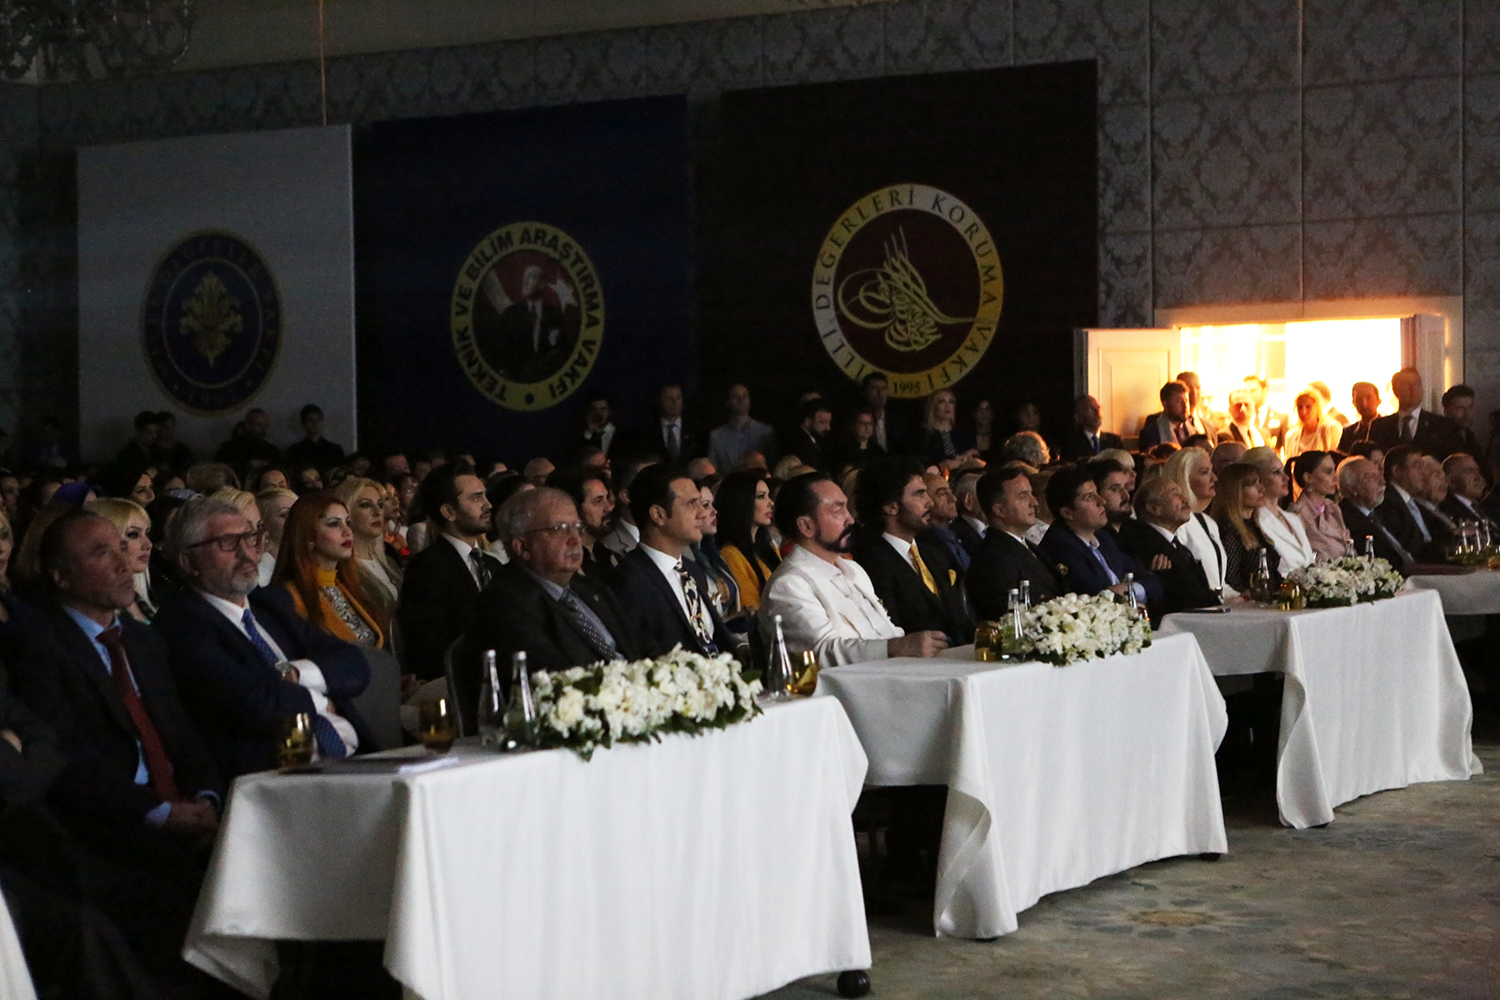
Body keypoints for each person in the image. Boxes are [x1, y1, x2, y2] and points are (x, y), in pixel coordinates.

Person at [6, 509, 224, 977]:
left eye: (123, 548)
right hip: (111, 828)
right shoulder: (36, 645)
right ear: (61, 575)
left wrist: (207, 798)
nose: (125, 563)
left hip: (182, 813)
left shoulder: (142, 641)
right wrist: (162, 813)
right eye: (101, 552)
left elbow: (182, 734)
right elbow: (66, 761)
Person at [154, 497, 372, 779]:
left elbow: (355, 665)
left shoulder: (270, 605)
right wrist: (318, 700)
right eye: (227, 542)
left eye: (249, 537)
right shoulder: (180, 624)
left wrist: (295, 674)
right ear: (189, 562)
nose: (245, 552)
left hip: (352, 759)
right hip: (273, 774)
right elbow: (255, 702)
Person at [758, 472, 946, 665]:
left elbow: (887, 632)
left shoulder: (853, 569)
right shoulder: (789, 585)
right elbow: (821, 652)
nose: (850, 519)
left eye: (847, 508)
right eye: (838, 511)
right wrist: (897, 647)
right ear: (806, 526)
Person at [467, 488, 639, 679]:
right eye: (559, 529)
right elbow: (554, 679)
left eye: (577, 527)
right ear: (522, 547)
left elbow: (637, 646)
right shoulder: (504, 605)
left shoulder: (590, 588)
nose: (575, 540)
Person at [610, 464, 738, 659]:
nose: (703, 513)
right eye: (691, 504)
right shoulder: (628, 581)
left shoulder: (692, 570)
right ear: (658, 515)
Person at [396, 465, 500, 681]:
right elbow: (429, 646)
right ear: (449, 512)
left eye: (485, 495)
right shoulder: (427, 567)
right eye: (476, 498)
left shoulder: (492, 564)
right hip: (458, 680)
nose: (488, 504)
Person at [852, 459, 971, 644]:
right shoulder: (870, 564)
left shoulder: (934, 553)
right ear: (891, 507)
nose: (930, 502)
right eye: (919, 494)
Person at [272, 492, 386, 651]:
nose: (347, 531)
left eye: (347, 522)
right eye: (334, 524)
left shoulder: (347, 585)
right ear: (308, 537)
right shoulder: (290, 598)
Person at [1037, 465, 1160, 606]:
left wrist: (1126, 588)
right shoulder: (1059, 546)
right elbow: (1097, 594)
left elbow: (1153, 583)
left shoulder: (1103, 538)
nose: (1102, 501)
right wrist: (1127, 590)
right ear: (1067, 513)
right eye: (1089, 497)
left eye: (1096, 493)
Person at [1116, 478, 1220, 624]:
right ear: (1153, 508)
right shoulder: (1141, 540)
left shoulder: (1178, 546)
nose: (1185, 499)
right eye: (1175, 493)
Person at [966, 465, 1058, 620]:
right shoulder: (993, 559)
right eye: (1023, 496)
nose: (1034, 502)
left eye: (1031, 494)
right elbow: (1011, 618)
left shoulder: (1028, 546)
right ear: (999, 510)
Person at [1160, 447, 1230, 597]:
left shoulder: (1208, 522)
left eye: (1211, 471)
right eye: (1204, 472)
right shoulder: (1176, 524)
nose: (1214, 478)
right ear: (1183, 479)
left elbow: (1218, 582)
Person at [1240, 447, 1316, 576]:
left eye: (1284, 471)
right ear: (1257, 480)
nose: (1286, 477)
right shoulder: (1254, 522)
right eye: (1276, 473)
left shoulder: (1294, 519)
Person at [1210, 463, 1282, 593]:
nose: (1261, 489)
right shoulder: (1229, 530)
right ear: (1235, 491)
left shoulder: (1255, 526)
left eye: (1260, 482)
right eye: (1252, 484)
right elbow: (1231, 578)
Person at [715, 470, 779, 613]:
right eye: (761, 497)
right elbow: (750, 608)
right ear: (742, 502)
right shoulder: (730, 555)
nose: (771, 502)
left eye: (768, 495)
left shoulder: (769, 547)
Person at [85, 497, 158, 623]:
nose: (148, 544)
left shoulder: (150, 596)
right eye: (133, 534)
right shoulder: (96, 610)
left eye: (147, 533)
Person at [1337, 456, 1414, 570]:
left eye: (1379, 475)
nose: (1382, 482)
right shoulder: (1344, 519)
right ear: (1352, 488)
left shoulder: (1386, 510)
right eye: (1371, 478)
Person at [1376, 444, 1444, 562]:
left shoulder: (1413, 502)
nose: (1423, 472)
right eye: (1417, 465)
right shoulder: (1387, 503)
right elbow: (1411, 546)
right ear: (1396, 471)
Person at [546, 465, 618, 577]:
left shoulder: (608, 555)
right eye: (598, 501)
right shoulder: (565, 565)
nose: (608, 507)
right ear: (573, 507)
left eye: (607, 498)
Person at [1370, 368, 1455, 456]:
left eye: (1417, 384)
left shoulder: (1441, 424)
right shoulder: (1379, 426)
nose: (1413, 389)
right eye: (1406, 385)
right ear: (1395, 390)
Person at [689, 482, 741, 622]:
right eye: (706, 505)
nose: (714, 511)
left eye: (713, 504)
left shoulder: (711, 553)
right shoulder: (684, 558)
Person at [1289, 451, 1352, 559]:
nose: (1335, 478)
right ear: (1308, 478)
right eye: (1328, 472)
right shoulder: (1297, 515)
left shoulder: (1333, 508)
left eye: (1334, 471)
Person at [708, 383, 777, 473]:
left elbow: (772, 467)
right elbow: (713, 472)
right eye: (735, 396)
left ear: (750, 401)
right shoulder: (716, 436)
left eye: (745, 396)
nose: (741, 399)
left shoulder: (765, 432)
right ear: (728, 402)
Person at [598, 458, 652, 561]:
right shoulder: (608, 548)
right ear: (626, 496)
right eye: (650, 485)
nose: (661, 492)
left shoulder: (675, 535)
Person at [919, 471, 970, 574]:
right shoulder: (925, 544)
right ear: (925, 501)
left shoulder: (961, 533)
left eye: (950, 491)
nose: (953, 498)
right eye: (942, 494)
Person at [918, 389, 977, 469]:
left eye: (951, 402)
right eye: (942, 401)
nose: (948, 406)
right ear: (933, 406)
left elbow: (974, 453)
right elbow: (920, 464)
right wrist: (943, 465)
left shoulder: (962, 433)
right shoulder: (924, 434)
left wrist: (965, 457)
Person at [639, 383, 697, 462]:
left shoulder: (694, 429)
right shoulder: (648, 431)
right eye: (669, 398)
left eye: (678, 398)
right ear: (659, 401)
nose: (674, 402)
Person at [283, 403, 346, 475]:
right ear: (303, 423)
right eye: (310, 420)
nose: (315, 423)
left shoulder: (335, 450)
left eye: (318, 419)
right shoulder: (294, 451)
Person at [213, 407, 281, 469]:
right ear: (245, 424)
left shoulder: (271, 451)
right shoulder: (228, 448)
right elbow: (218, 468)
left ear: (265, 427)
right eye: (251, 423)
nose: (254, 428)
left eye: (259, 425)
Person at [1283, 390, 1342, 460]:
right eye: (1300, 407)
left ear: (1317, 408)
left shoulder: (1330, 430)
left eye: (1308, 407)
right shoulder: (1291, 436)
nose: (1303, 412)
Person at [1060, 394, 1122, 460]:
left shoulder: (1115, 441)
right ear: (1078, 417)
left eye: (1098, 407)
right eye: (1091, 409)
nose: (1097, 411)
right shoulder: (1070, 444)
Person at [1440, 452, 1494, 528]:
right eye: (1469, 471)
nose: (1478, 477)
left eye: (1477, 470)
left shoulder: (1488, 506)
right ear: (1451, 481)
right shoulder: (1448, 512)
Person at [782, 397, 833, 472]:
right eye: (822, 422)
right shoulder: (798, 442)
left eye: (829, 422)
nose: (828, 428)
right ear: (808, 421)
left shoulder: (818, 440)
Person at [1138, 380, 1193, 448]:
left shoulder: (1193, 429)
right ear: (1165, 404)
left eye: (1186, 401)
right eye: (1178, 401)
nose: (1185, 406)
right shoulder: (1151, 433)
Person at [948, 466, 987, 558]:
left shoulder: (994, 528)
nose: (994, 501)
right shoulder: (956, 535)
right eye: (987, 495)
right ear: (969, 501)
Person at [1243, 375, 1290, 450]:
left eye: (1253, 391)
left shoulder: (1281, 418)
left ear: (1265, 391)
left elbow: (1286, 448)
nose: (1249, 394)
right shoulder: (1242, 419)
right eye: (1246, 391)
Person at [1441, 384, 1483, 459]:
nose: (1467, 413)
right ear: (1447, 410)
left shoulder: (1470, 438)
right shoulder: (1440, 439)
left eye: (1470, 407)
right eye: (1460, 408)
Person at [1338, 381, 1382, 451]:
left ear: (1378, 401)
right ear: (1353, 402)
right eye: (1359, 399)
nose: (1364, 404)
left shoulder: (1388, 429)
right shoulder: (1347, 432)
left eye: (1368, 397)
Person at [1174, 371, 1218, 440]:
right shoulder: (1169, 424)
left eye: (1198, 388)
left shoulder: (1210, 426)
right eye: (1189, 387)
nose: (1194, 392)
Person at [579, 391, 618, 458]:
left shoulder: (619, 433)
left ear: (609, 412)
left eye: (603, 409)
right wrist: (590, 431)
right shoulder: (587, 436)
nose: (599, 413)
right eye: (595, 409)